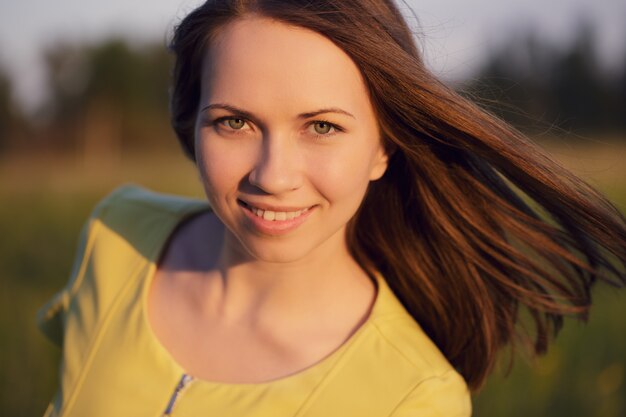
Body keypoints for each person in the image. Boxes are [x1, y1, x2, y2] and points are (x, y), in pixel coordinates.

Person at [37, 1, 626, 416]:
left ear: (383, 147)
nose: (273, 175)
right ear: (192, 125)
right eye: (233, 122)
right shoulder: (116, 234)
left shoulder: (414, 398)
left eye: (321, 126)